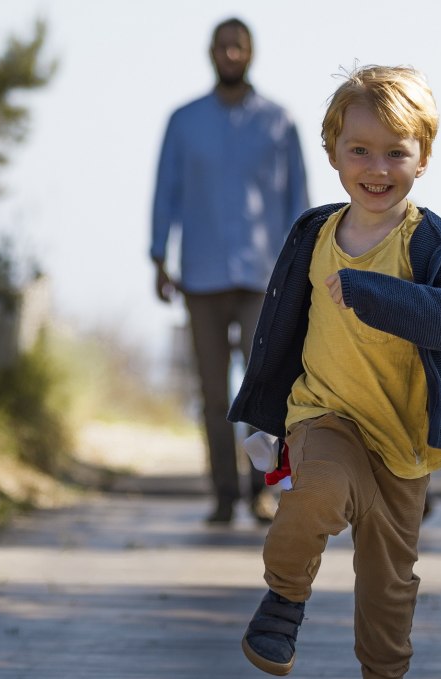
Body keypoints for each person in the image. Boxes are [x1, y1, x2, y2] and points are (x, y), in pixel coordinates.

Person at [229, 65, 441, 679]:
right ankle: (285, 598)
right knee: (314, 494)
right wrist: (263, 415)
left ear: (423, 159)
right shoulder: (314, 233)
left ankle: (383, 672)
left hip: (403, 442)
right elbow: (280, 324)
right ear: (333, 152)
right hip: (324, 414)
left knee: (389, 587)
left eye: (397, 153)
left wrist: (373, 292)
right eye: (360, 150)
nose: (377, 168)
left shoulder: (430, 243)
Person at [151, 17, 309, 526]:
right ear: (211, 53)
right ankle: (223, 493)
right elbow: (165, 192)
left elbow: (298, 202)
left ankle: (264, 491)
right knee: (214, 393)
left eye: (238, 46)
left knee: (268, 389)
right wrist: (159, 256)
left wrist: (305, 271)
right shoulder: (184, 120)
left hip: (266, 279)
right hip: (200, 274)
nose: (231, 53)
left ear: (251, 52)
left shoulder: (280, 121)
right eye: (223, 46)